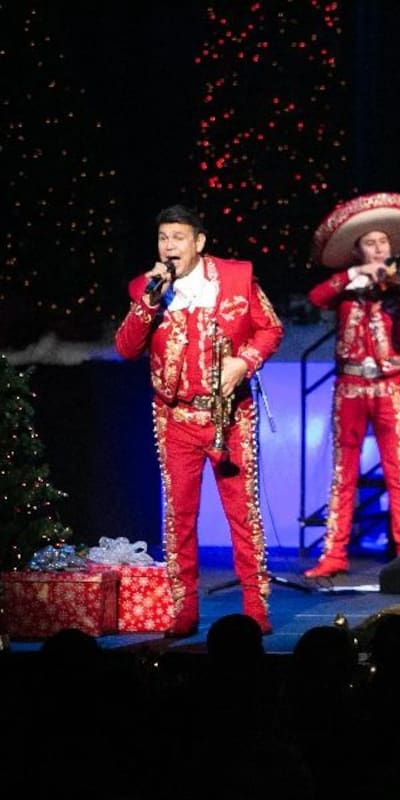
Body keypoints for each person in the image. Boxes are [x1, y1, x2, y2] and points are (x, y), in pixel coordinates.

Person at [114, 204, 283, 636]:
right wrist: (149, 303)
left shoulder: (236, 278)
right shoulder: (146, 288)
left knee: (243, 515)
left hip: (231, 417)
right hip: (175, 417)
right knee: (179, 517)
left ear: (199, 242)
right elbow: (126, 348)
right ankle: (183, 610)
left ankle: (255, 607)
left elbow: (271, 329)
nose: (169, 246)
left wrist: (243, 363)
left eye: (178, 237)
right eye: (163, 238)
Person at [303, 193, 400, 579]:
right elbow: (317, 297)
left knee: (399, 472)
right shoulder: (346, 285)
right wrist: (351, 277)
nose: (379, 250)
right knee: (343, 472)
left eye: (383, 243)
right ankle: (334, 555)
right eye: (370, 244)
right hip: (350, 385)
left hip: (390, 385)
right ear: (357, 251)